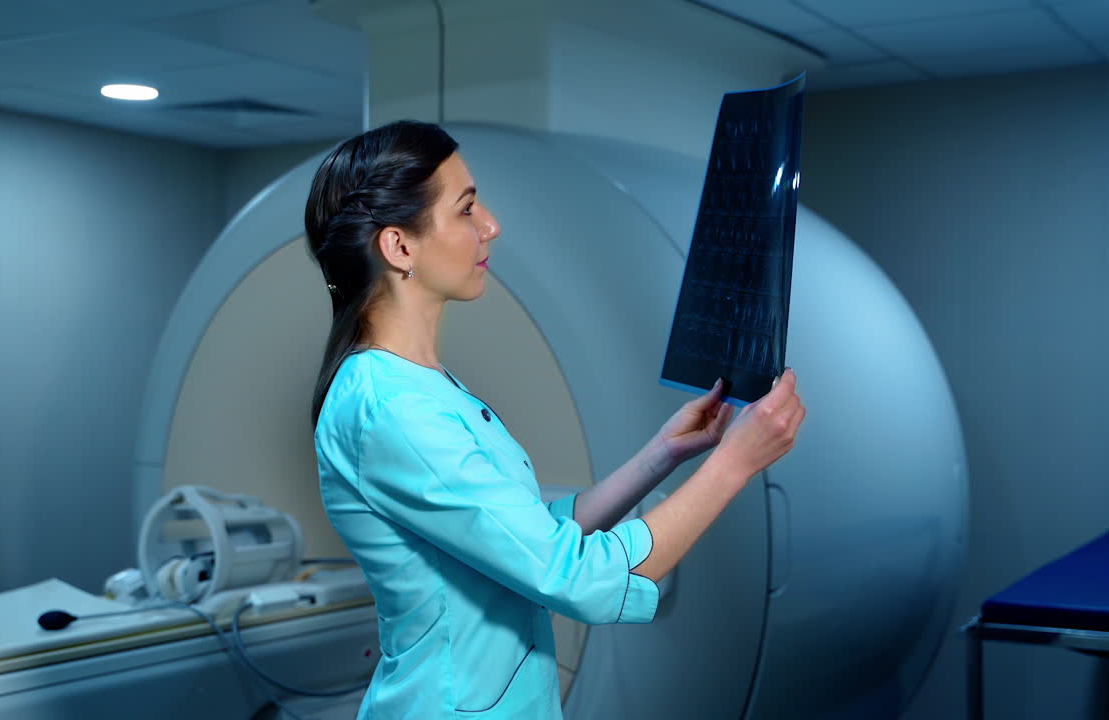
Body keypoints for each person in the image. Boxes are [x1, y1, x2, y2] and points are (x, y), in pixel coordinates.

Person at [307, 120, 805, 720]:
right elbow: (577, 579)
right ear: (400, 247)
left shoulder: (423, 387)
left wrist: (663, 455)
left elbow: (532, 540)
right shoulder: (391, 409)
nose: (491, 225)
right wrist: (735, 464)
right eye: (466, 210)